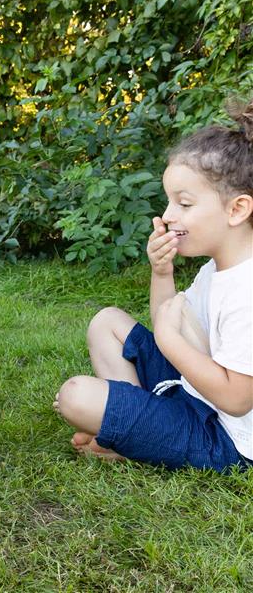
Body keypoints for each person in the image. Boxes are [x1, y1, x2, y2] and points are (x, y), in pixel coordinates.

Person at [55, 99, 253, 472]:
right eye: (168, 202)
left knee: (75, 397)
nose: (167, 216)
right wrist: (161, 273)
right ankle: (139, 428)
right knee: (106, 321)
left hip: (225, 437)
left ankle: (134, 434)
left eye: (184, 203)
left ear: (237, 210)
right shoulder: (218, 267)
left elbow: (238, 399)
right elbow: (170, 319)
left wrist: (168, 342)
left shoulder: (247, 290)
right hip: (196, 396)